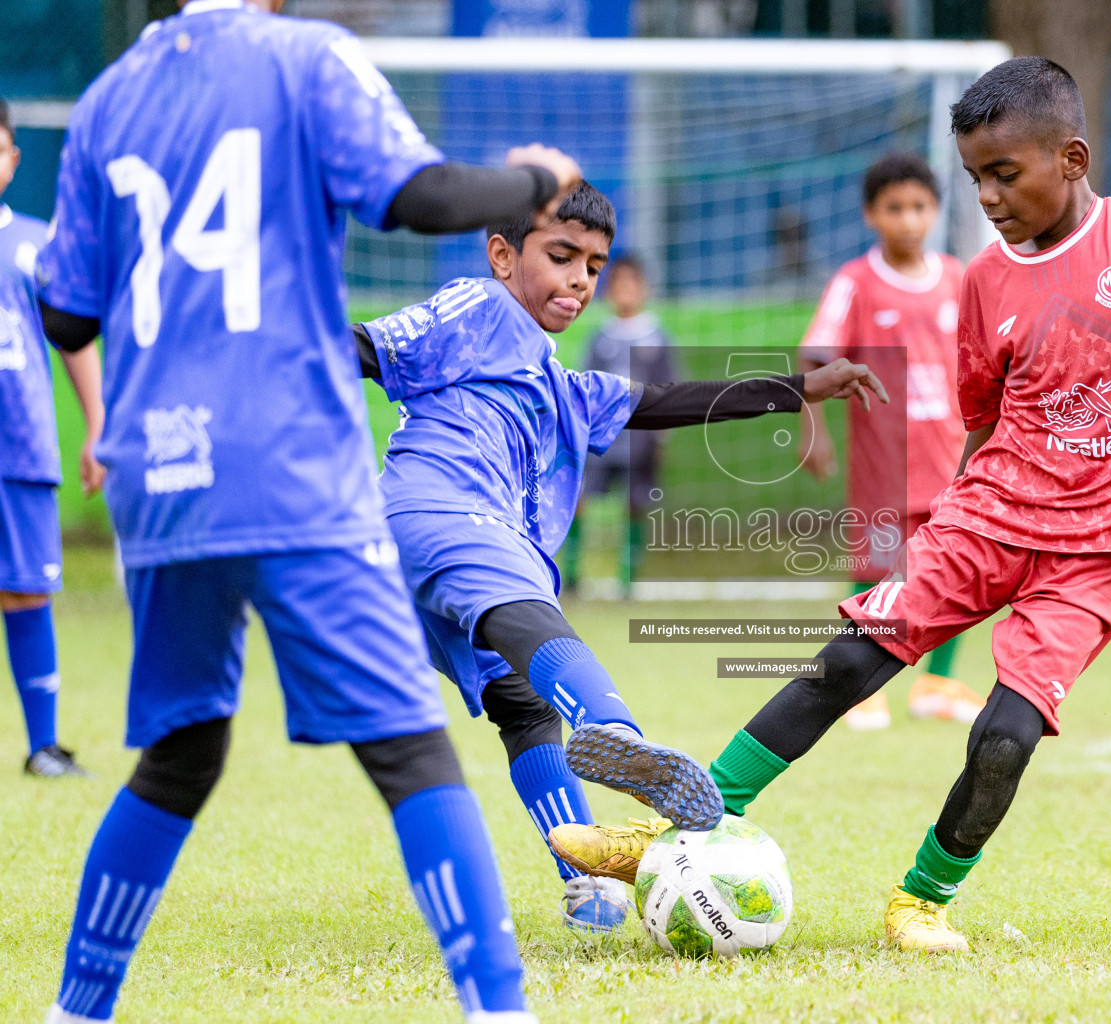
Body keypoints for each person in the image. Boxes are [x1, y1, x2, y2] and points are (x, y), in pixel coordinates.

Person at [548, 56, 1111, 955]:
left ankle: (921, 901)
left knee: (1005, 734)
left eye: (1003, 174)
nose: (984, 195)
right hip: (989, 512)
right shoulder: (983, 281)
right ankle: (679, 829)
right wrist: (950, 517)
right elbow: (988, 418)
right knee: (847, 663)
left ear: (1071, 155)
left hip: (1103, 542)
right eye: (975, 176)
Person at [33, 1, 583, 1020]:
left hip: (159, 472)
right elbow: (418, 195)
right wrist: (536, 182)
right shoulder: (306, 57)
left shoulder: (108, 99)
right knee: (412, 743)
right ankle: (499, 1009)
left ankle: (76, 1009)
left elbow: (64, 307)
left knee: (182, 750)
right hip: (285, 463)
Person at [354, 181, 889, 933]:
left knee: (522, 706)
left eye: (594, 265)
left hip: (429, 553)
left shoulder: (559, 386)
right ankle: (621, 737)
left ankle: (589, 882)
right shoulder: (477, 307)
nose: (579, 280)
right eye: (561, 255)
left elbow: (666, 400)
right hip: (440, 510)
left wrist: (799, 389)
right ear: (502, 255)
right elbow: (366, 349)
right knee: (529, 615)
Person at [798, 151, 983, 731]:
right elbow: (813, 359)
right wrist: (814, 434)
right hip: (884, 460)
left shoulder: (958, 277)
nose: (909, 220)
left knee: (959, 571)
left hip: (952, 456)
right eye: (894, 208)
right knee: (877, 570)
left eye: (920, 207)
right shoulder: (855, 283)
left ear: (936, 211)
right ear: (871, 215)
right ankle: (861, 687)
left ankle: (936, 681)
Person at [0, 97, 104, 778]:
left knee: (26, 591)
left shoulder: (36, 243)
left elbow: (73, 341)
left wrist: (98, 424)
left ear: (10, 158)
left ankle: (43, 746)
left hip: (20, 443)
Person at [562, 253, 676, 594]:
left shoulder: (657, 337)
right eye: (619, 284)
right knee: (579, 498)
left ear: (644, 289)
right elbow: (583, 386)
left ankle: (627, 579)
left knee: (633, 504)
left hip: (639, 440)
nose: (625, 291)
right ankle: (571, 574)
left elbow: (669, 390)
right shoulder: (600, 337)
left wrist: (662, 437)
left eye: (632, 284)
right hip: (599, 438)